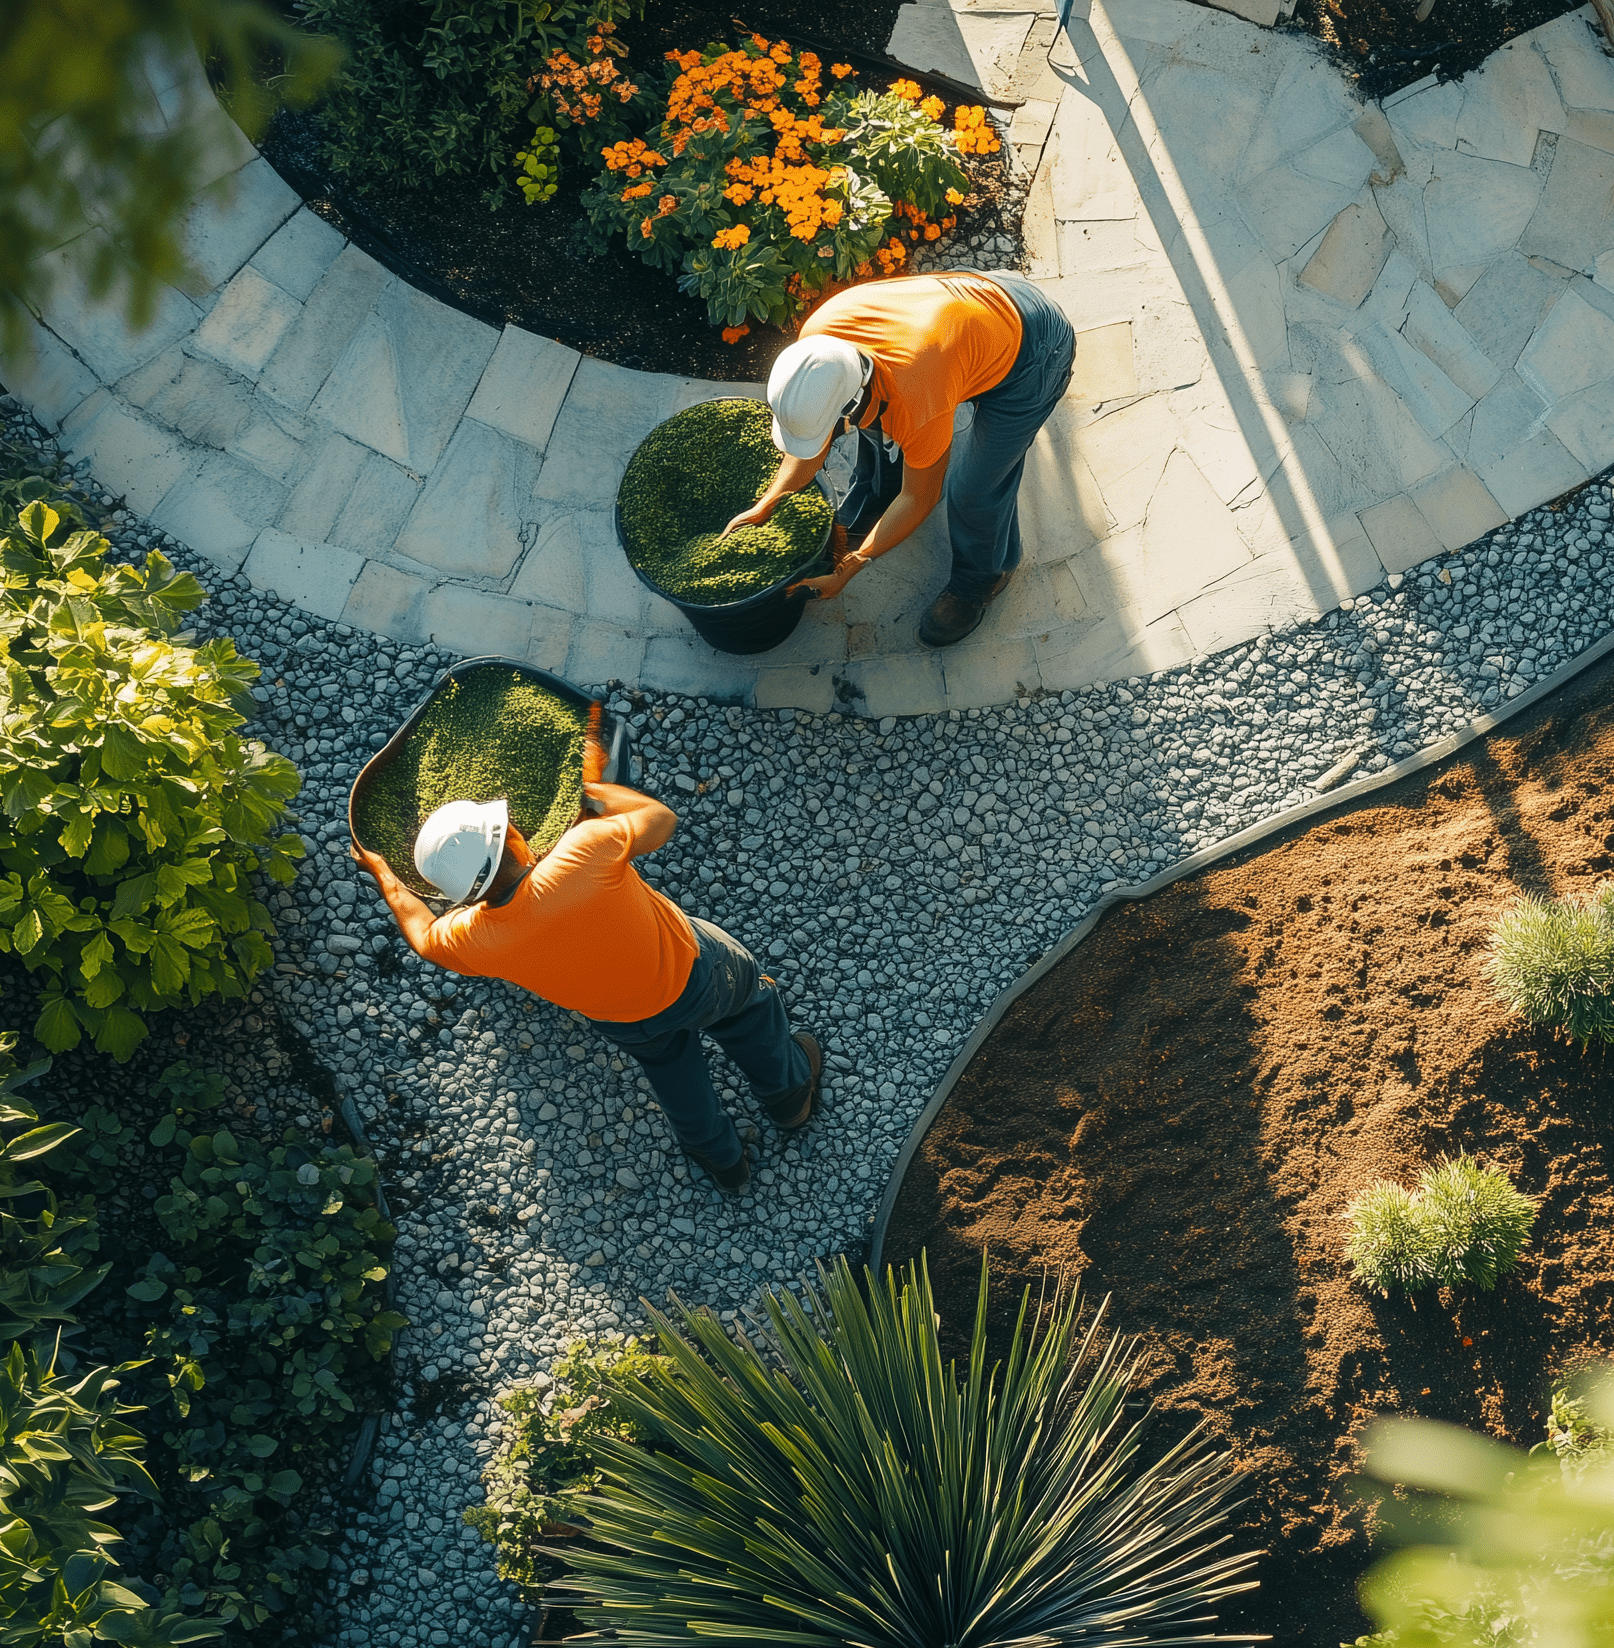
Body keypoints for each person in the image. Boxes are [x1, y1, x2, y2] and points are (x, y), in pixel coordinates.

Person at [350, 734, 821, 1195]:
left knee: (672, 1069)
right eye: (510, 823)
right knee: (751, 1009)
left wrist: (385, 875)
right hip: (698, 977)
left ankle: (721, 1158)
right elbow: (659, 818)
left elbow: (425, 938)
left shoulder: (474, 936)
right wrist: (589, 794)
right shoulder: (584, 850)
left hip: (626, 1021)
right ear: (509, 841)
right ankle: (787, 1096)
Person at [727, 269, 1078, 649]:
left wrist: (852, 565)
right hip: (976, 311)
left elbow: (920, 498)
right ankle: (879, 497)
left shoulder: (916, 400)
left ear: (853, 400)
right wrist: (769, 502)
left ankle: (981, 579)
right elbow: (813, 443)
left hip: (1035, 352)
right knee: (884, 427)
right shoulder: (819, 341)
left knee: (974, 490)